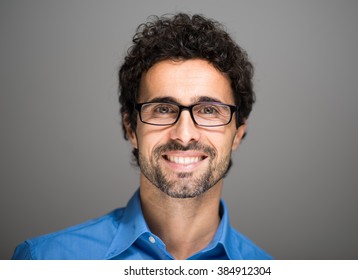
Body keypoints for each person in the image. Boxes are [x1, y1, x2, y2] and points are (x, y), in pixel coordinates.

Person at [12, 13, 272, 260]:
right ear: (130, 128)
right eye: (162, 109)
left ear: (238, 133)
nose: (184, 135)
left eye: (208, 110)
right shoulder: (45, 261)